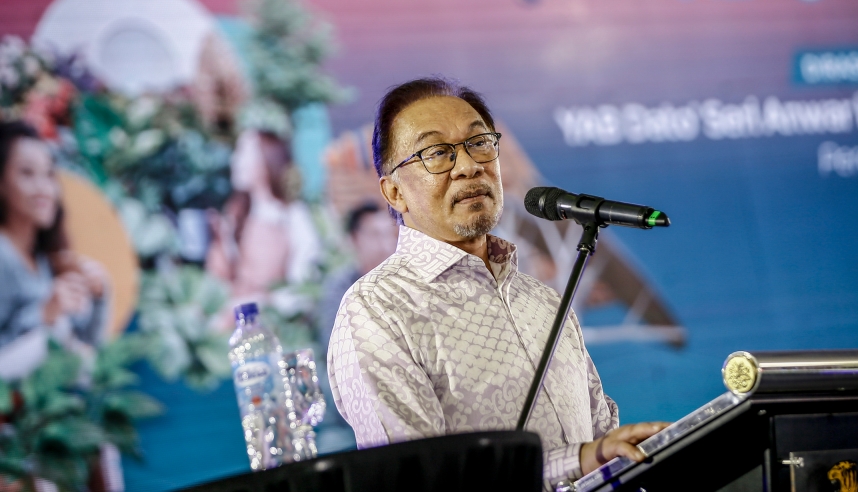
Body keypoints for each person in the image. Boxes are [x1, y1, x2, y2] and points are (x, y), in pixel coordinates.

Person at [327, 78, 667, 489]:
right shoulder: (376, 312)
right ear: (394, 192)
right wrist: (576, 461)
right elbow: (417, 478)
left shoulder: (541, 300)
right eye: (437, 153)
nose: (469, 166)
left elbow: (600, 440)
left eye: (480, 143)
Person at [0, 121, 108, 379]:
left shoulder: (44, 258)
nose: (43, 189)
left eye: (49, 174)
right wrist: (43, 314)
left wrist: (99, 293)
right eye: (27, 174)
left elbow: (90, 342)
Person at [206, 128, 320, 303]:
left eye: (244, 153)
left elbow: (304, 278)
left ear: (267, 159)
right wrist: (219, 242)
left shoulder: (293, 215)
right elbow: (220, 279)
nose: (236, 161)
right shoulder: (235, 212)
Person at [319, 202, 398, 344]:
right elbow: (334, 340)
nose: (385, 244)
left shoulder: (404, 280)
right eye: (375, 234)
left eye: (388, 234)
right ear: (354, 239)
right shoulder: (341, 286)